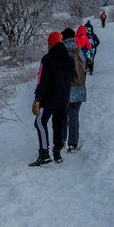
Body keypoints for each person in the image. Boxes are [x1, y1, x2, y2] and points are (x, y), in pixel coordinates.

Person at [29, 31, 73, 166]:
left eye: (48, 44)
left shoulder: (47, 59)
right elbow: (71, 78)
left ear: (51, 44)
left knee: (40, 123)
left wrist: (37, 98)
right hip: (65, 98)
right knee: (59, 124)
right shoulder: (69, 59)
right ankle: (57, 154)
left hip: (49, 99)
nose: (47, 46)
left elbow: (42, 80)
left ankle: (44, 154)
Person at [60, 28, 86, 153]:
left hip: (65, 90)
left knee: (63, 116)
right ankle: (73, 143)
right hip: (79, 88)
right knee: (74, 116)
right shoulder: (79, 51)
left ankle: (62, 140)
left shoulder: (61, 52)